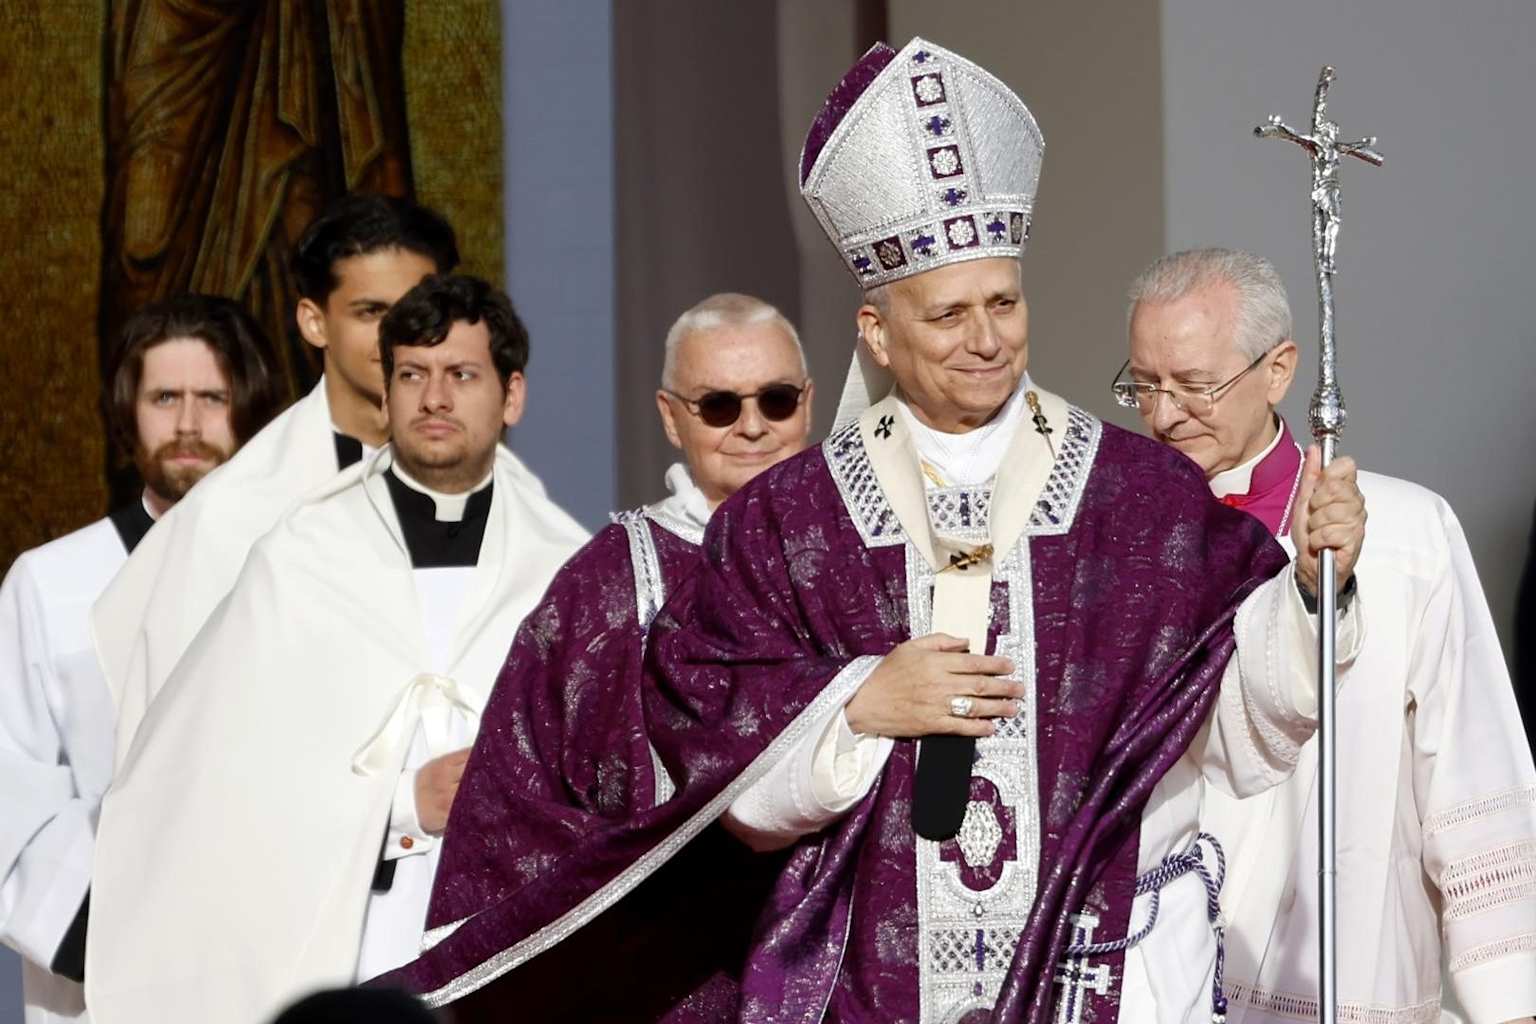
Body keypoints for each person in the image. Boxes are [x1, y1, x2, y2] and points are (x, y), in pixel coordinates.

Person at [384, 39, 1366, 1023]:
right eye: (948, 314)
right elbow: (723, 776)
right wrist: (858, 702)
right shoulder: (790, 521)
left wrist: (1313, 590)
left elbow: (1245, 723)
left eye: (1004, 303)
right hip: (868, 985)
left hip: (1104, 979)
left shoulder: (1139, 495)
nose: (986, 338)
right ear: (878, 332)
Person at [85, 275, 588, 1024]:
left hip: (509, 949)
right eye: (412, 375)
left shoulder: (568, 569)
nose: (435, 399)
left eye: (462, 375)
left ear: (511, 395)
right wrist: (399, 806)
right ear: (384, 398)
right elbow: (220, 784)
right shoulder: (299, 557)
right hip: (342, 949)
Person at [1122, 247, 1536, 1024]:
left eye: (1194, 385)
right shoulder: (1115, 548)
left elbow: (1472, 777)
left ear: (1278, 370)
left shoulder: (1409, 535)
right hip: (1165, 983)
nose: (1164, 414)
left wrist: (1511, 1002)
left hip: (1348, 982)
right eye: (1144, 385)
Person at [379, 293, 813, 1016]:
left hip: (835, 956)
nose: (752, 426)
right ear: (671, 416)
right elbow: (518, 798)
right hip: (676, 973)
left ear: (807, 402)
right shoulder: (609, 584)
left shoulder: (865, 558)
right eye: (718, 406)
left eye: (776, 400)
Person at [92, 194, 458, 759]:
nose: (403, 334)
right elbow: (174, 748)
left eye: (422, 310)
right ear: (314, 322)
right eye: (372, 312)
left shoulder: (499, 494)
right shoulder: (231, 513)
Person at [0, 295, 281, 1024]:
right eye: (164, 398)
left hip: (276, 959)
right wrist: (124, 934)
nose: (187, 424)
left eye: (212, 397)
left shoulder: (308, 571)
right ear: (129, 415)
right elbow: (11, 787)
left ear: (248, 410)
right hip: (100, 977)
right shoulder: (50, 582)